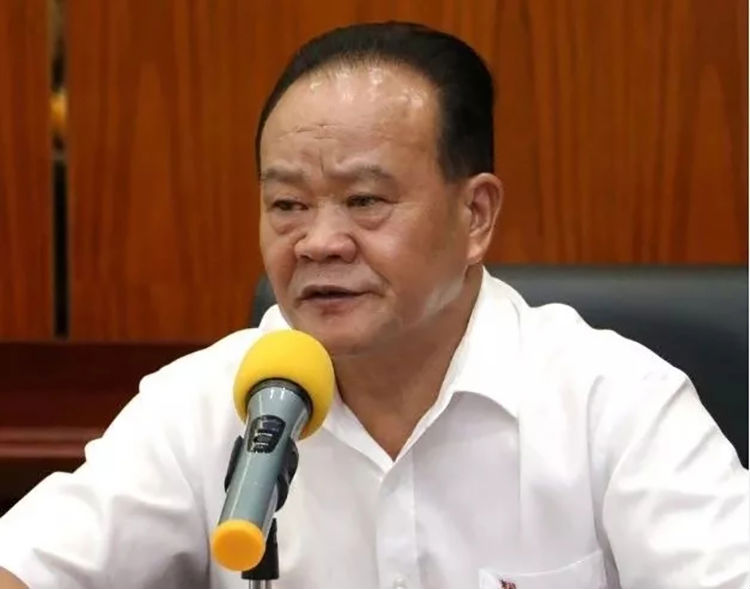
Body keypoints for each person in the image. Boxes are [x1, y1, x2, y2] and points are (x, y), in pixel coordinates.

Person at [0, 21, 747, 589]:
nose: (319, 242)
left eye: (365, 200)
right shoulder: (203, 403)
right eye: (287, 204)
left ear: (476, 215)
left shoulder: (615, 403)